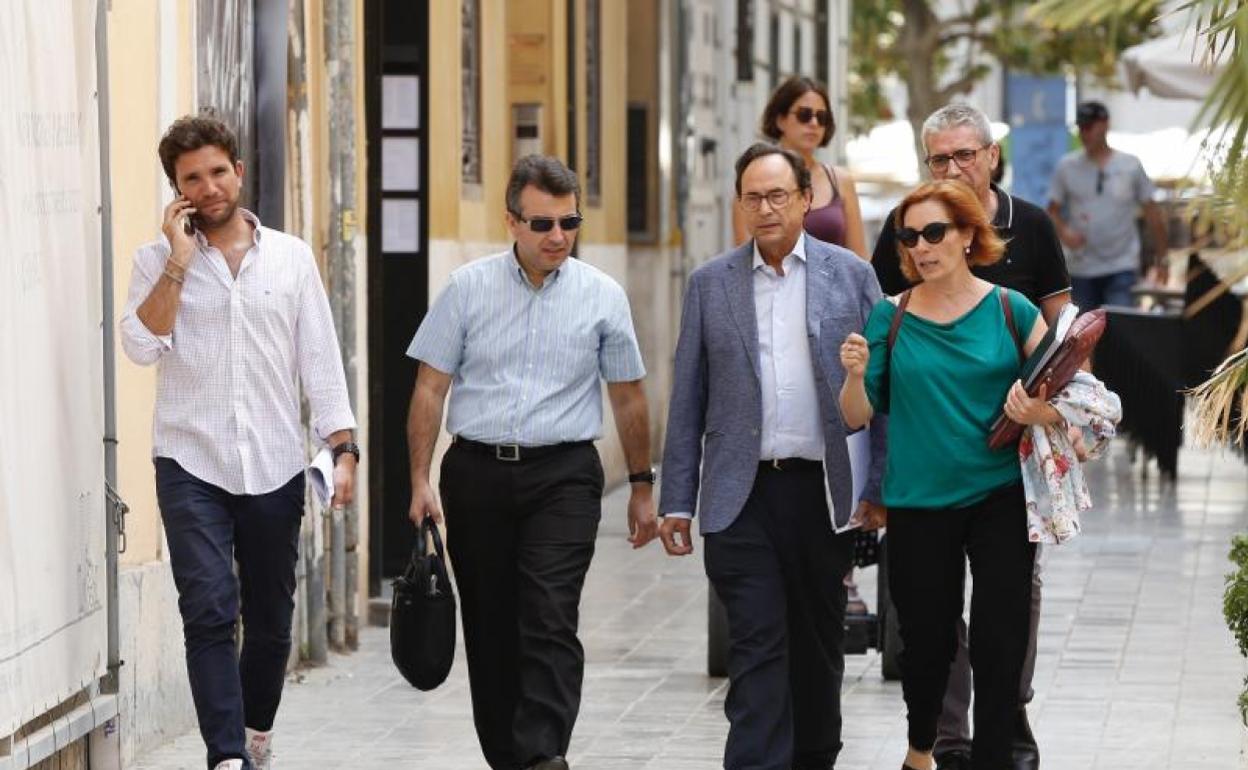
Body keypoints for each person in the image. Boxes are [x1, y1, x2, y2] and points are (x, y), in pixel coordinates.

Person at [404, 155, 659, 770]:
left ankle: (544, 757)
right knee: (491, 629)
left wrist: (643, 485)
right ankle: (509, 759)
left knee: (549, 616)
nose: (557, 237)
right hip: (476, 475)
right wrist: (419, 479)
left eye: (569, 223)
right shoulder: (467, 289)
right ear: (512, 222)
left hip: (564, 476)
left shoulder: (602, 296)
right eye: (543, 224)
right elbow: (430, 387)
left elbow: (627, 395)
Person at [120, 115, 358, 770]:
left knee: (272, 619)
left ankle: (255, 732)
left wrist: (343, 448)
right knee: (208, 608)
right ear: (177, 191)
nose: (208, 186)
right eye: (191, 178)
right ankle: (225, 757)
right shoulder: (156, 262)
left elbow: (320, 360)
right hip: (189, 460)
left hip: (276, 463)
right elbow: (141, 346)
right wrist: (177, 262)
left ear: (239, 173)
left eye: (217, 171)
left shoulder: (290, 258)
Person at [660, 143, 887, 770]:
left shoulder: (851, 275)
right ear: (740, 205)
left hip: (822, 493)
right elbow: (688, 398)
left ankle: (816, 757)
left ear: (806, 200)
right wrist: (676, 500)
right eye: (754, 197)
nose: (766, 208)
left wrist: (878, 486)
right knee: (757, 649)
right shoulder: (710, 285)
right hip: (742, 496)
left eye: (778, 195)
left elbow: (883, 389)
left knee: (818, 648)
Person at [871, 103, 1071, 770]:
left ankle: (1006, 724)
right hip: (925, 478)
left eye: (964, 154)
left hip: (1005, 476)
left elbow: (1063, 346)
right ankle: (943, 739)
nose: (952, 167)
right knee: (931, 624)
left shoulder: (1033, 229)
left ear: (991, 156)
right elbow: (882, 358)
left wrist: (1055, 418)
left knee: (1006, 616)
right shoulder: (906, 237)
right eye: (938, 159)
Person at [1047, 100, 1169, 310]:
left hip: (1122, 266)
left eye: (1088, 127)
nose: (1084, 134)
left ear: (1104, 125)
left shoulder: (1130, 165)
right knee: (1083, 336)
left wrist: (1162, 260)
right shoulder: (1066, 166)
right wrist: (1065, 233)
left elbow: (1153, 214)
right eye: (1080, 128)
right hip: (1081, 268)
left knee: (1119, 330)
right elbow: (1051, 211)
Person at [733, 75, 868, 259]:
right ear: (780, 119)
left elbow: (860, 259)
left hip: (834, 286)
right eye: (804, 115)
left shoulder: (841, 181)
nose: (814, 124)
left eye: (821, 117)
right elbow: (745, 259)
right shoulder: (753, 181)